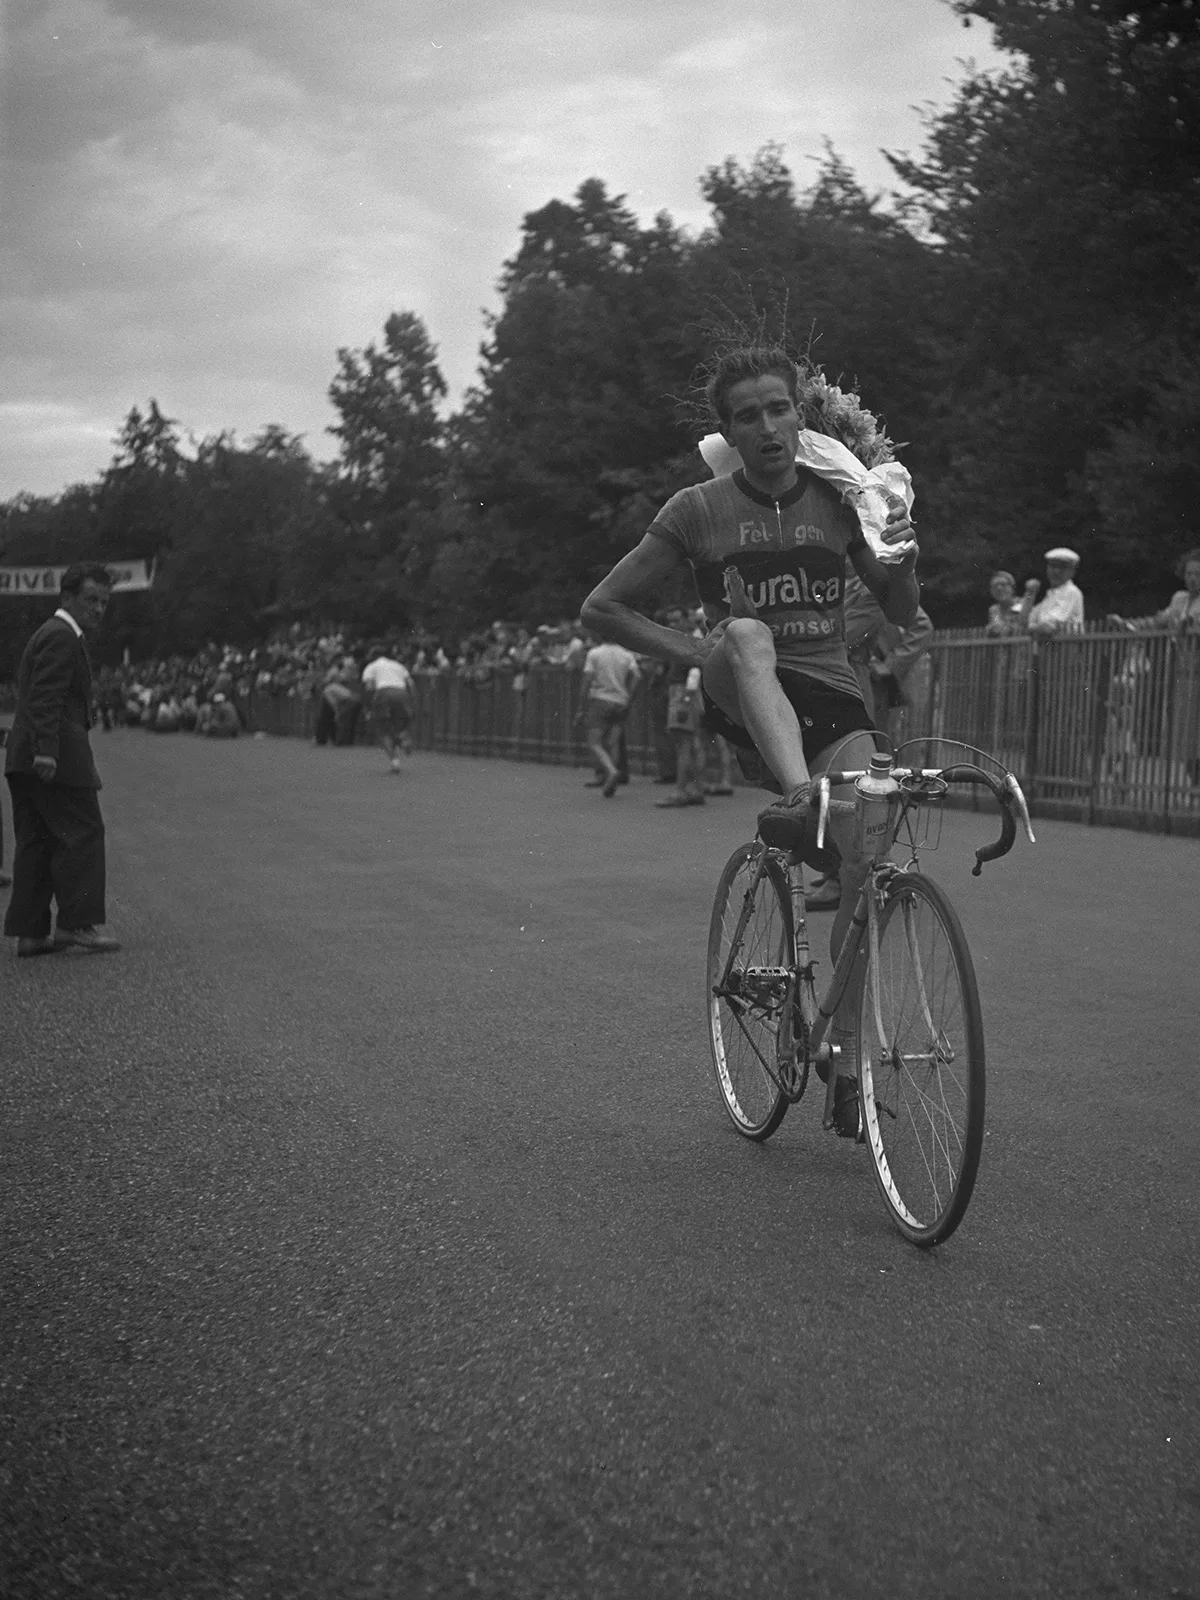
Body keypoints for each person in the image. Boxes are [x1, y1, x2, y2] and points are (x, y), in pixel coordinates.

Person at [582, 345, 919, 1122]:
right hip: (741, 686)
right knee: (747, 632)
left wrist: (902, 547)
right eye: (747, 416)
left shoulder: (840, 501)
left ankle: (840, 1050)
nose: (767, 426)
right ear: (728, 432)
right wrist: (698, 651)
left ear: (800, 415)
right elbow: (602, 607)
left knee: (870, 854)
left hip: (832, 696)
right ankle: (799, 793)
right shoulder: (697, 508)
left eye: (779, 408)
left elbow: (900, 611)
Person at [4, 562, 121, 956]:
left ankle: (31, 932)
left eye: (104, 602)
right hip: (51, 756)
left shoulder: (53, 633)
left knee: (35, 843)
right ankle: (77, 924)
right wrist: (47, 751)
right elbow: (46, 696)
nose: (99, 608)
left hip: (24, 756)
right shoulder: (62, 636)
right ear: (67, 597)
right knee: (84, 833)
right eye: (91, 599)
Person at [579, 634, 641, 797]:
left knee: (595, 742)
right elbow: (636, 676)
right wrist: (629, 697)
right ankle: (610, 781)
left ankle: (610, 771)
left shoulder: (595, 653)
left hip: (601, 699)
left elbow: (586, 680)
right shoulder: (626, 654)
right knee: (613, 742)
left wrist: (581, 706)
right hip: (620, 700)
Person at [361, 645, 415, 772]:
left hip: (383, 693)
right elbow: (411, 684)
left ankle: (394, 761)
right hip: (402, 693)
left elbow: (368, 687)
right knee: (399, 726)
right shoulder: (398, 666)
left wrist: (368, 707)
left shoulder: (372, 666)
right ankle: (403, 739)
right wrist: (411, 702)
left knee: (382, 729)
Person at [1022, 548, 1085, 635]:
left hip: (1067, 646)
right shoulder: (1050, 595)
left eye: (1062, 567)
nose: (1056, 571)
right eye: (1053, 566)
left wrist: (1031, 628)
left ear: (1072, 572)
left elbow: (1049, 626)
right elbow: (1024, 621)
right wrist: (1030, 594)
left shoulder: (1071, 591)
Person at [985, 571, 1025, 636]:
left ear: (1012, 588)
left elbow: (1011, 622)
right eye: (995, 586)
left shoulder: (1019, 604)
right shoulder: (994, 609)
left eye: (1003, 585)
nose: (999, 588)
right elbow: (996, 624)